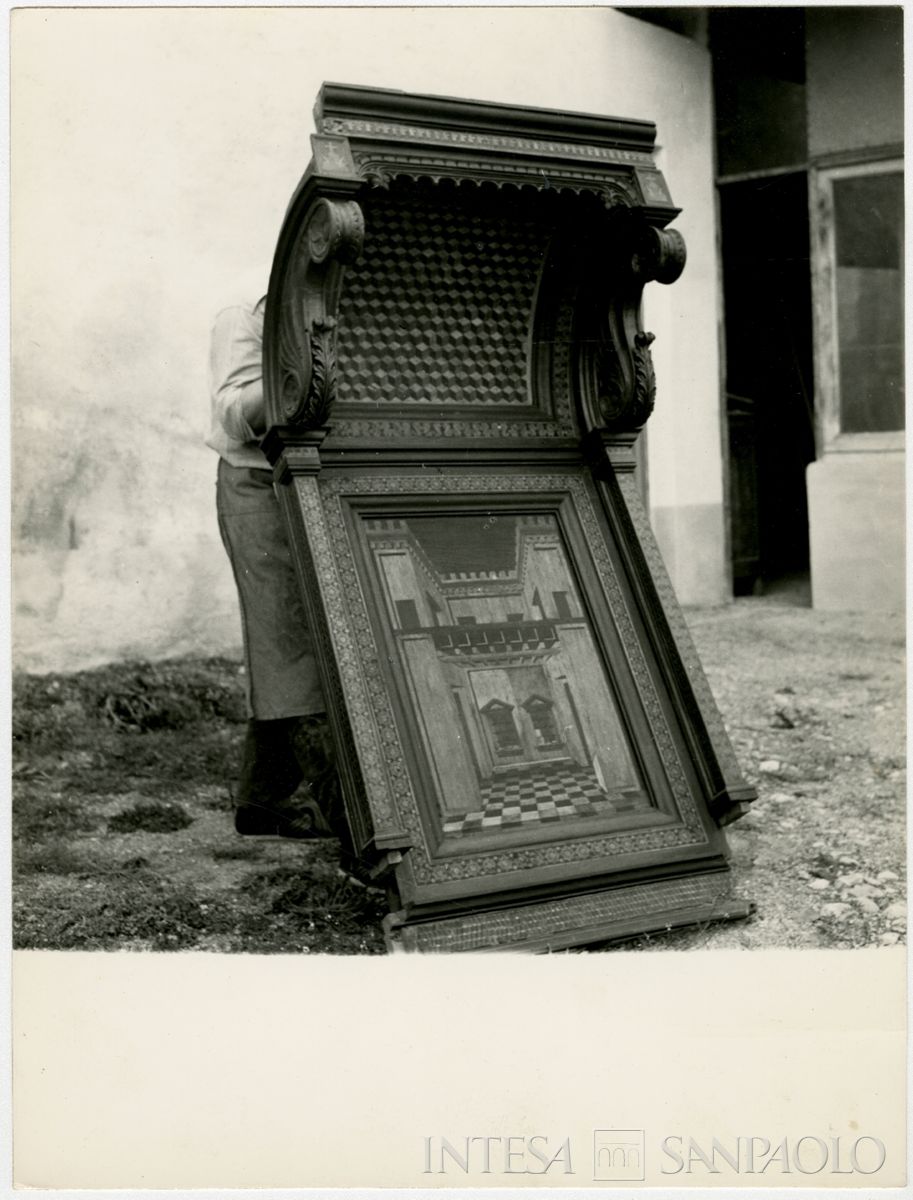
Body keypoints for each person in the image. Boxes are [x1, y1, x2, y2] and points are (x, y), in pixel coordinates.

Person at [207, 271, 343, 842]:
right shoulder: (244, 315)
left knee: (303, 635)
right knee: (287, 636)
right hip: (256, 486)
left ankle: (263, 801)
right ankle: (350, 813)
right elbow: (233, 414)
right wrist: (303, 365)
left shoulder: (345, 311)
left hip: (321, 480)